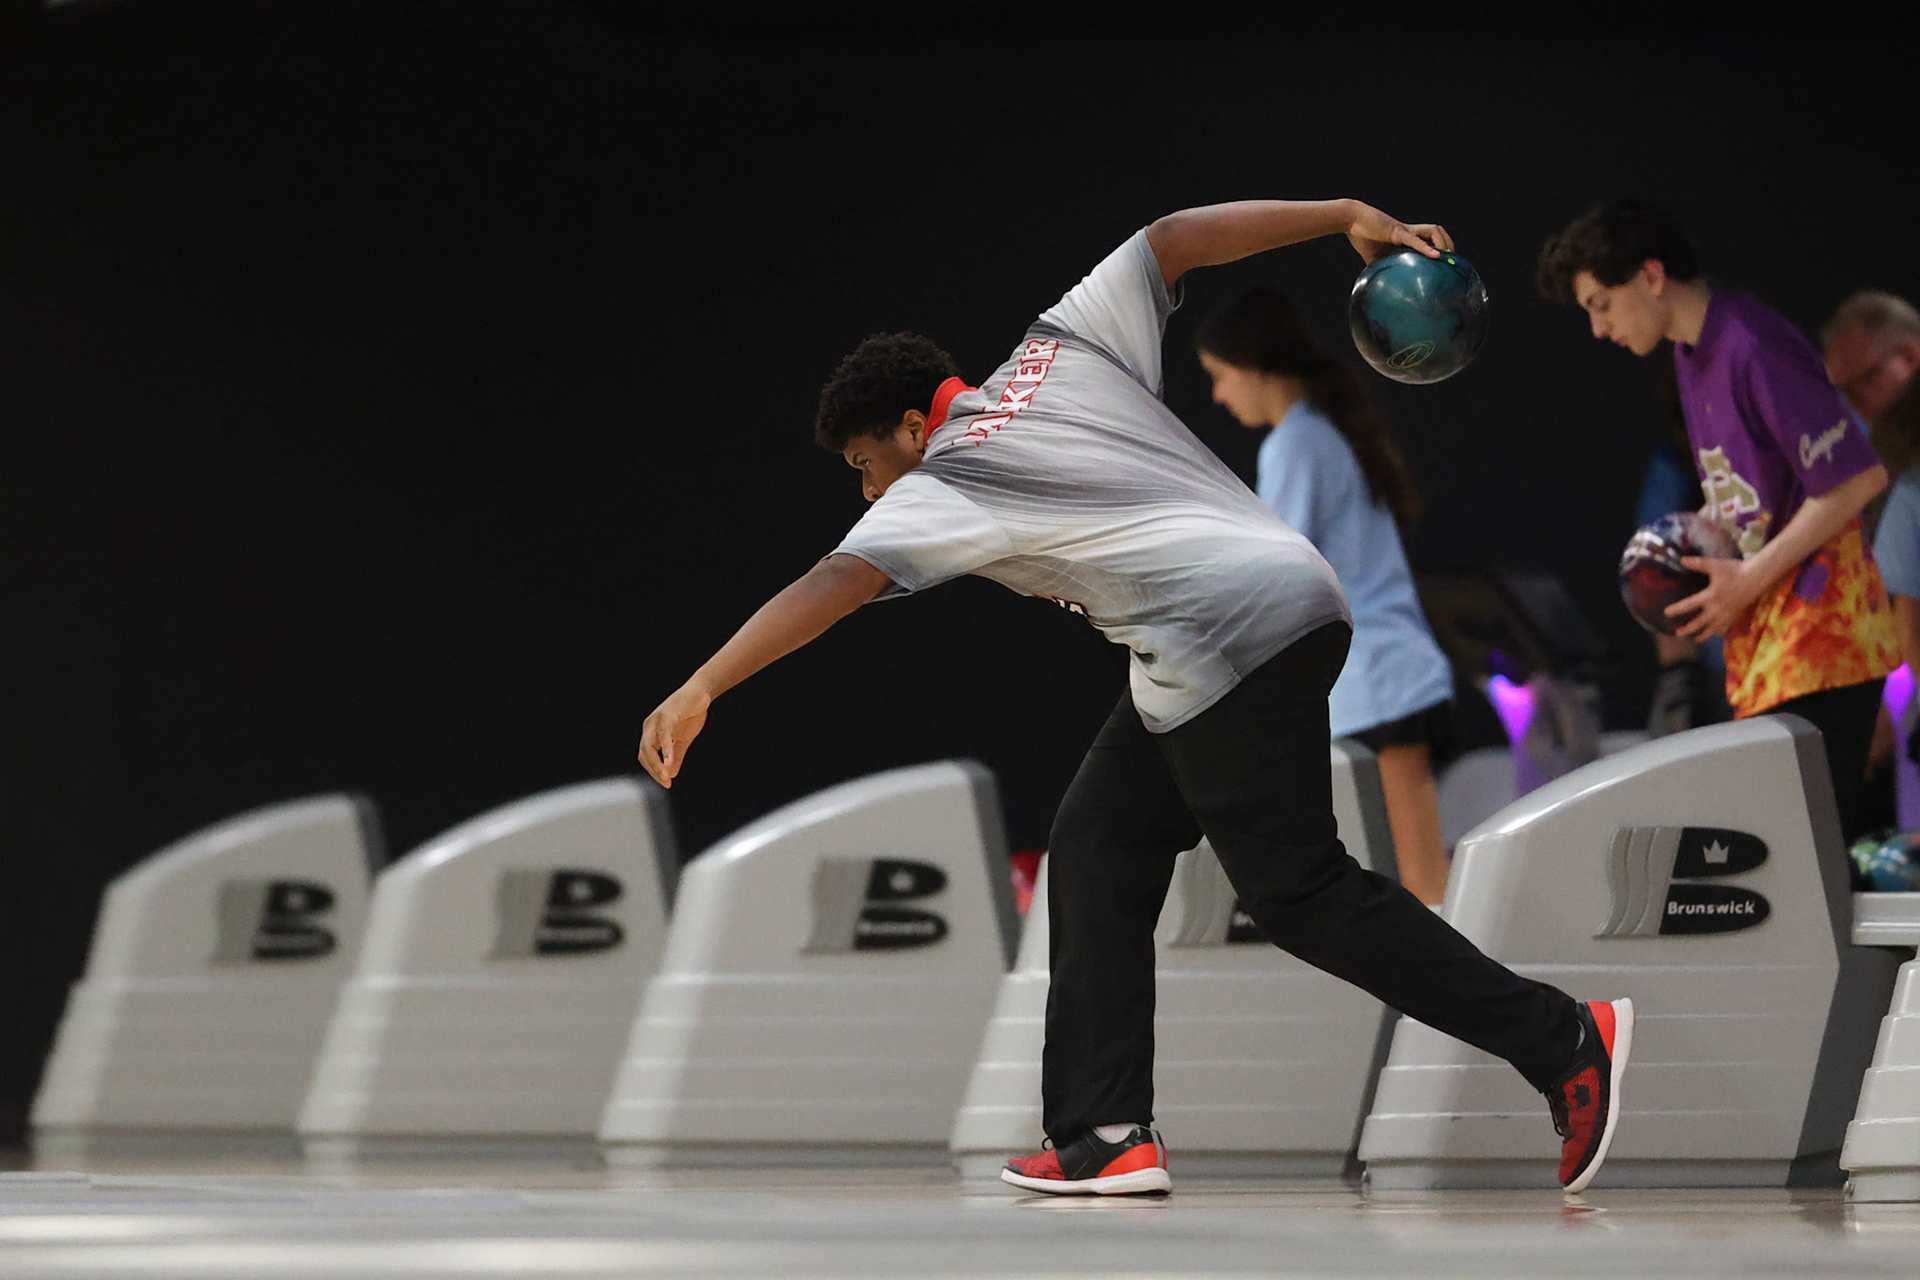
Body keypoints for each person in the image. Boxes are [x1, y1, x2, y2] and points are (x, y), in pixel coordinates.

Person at [637, 196, 1632, 1197]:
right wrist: (1342, 215)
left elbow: (834, 582)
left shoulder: (946, 476)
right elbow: (1172, 239)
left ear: (910, 426)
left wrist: (702, 684)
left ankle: (1562, 1037)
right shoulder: (1057, 345)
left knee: (1302, 894)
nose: (869, 494)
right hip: (1257, 618)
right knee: (1097, 840)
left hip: (1228, 637)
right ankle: (1104, 1127)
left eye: (866, 467)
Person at [1536, 199, 1899, 849]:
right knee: (1780, 862)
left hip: (1825, 639)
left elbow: (1855, 477)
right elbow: (1755, 499)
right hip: (1769, 640)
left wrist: (1748, 576)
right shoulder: (1689, 353)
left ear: (1650, 276)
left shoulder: (1753, 345)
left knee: (1801, 864)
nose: (1598, 328)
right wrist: (1681, 545)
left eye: (1601, 304)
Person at [1193, 287, 1456, 904]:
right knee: (1407, 884)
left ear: (1253, 367)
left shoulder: (1295, 443)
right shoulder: (1323, 430)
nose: (1218, 395)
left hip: (1383, 688)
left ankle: (1473, 1002)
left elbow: (1273, 579)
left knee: (1423, 887)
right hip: (1383, 686)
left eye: (1220, 375)